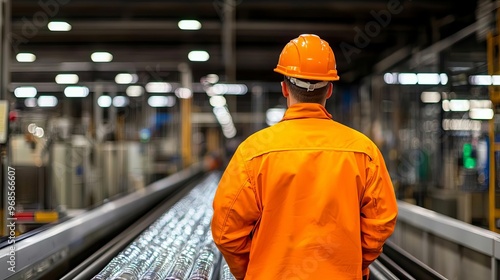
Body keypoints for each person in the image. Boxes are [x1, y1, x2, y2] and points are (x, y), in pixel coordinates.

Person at [211, 34, 398, 280]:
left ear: (285, 87)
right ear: (330, 89)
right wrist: (352, 263)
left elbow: (226, 231)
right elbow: (381, 222)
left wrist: (253, 270)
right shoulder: (363, 151)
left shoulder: (253, 151)